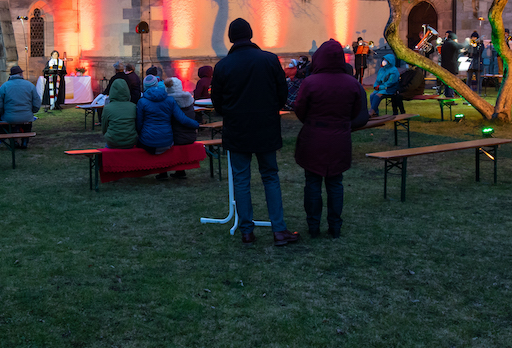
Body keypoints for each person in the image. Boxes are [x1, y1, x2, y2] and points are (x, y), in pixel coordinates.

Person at [211, 18, 299, 246]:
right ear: (250, 35)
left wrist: (233, 113)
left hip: (238, 129)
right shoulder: (269, 60)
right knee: (270, 176)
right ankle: (279, 230)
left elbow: (217, 102)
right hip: (265, 128)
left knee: (241, 179)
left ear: (231, 38)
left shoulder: (223, 66)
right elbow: (282, 95)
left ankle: (247, 231)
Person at [293, 40, 364, 239]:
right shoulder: (352, 83)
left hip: (314, 137)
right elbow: (356, 111)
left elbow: (300, 108)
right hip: (339, 138)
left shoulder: (311, 82)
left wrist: (312, 122)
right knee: (335, 183)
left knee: (313, 183)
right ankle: (335, 226)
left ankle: (313, 225)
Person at [135, 75, 199, 173]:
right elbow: (182, 118)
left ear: (144, 87)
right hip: (167, 142)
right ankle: (168, 172)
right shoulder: (169, 100)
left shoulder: (142, 101)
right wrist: (196, 124)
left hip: (147, 142)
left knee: (146, 143)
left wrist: (141, 134)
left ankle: (161, 173)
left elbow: (139, 123)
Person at [0, 65, 40, 148]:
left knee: (10, 125)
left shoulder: (4, 86)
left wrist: (2, 112)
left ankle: (14, 141)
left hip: (9, 116)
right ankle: (25, 141)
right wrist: (32, 111)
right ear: (21, 74)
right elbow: (36, 101)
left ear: (10, 75)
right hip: (26, 116)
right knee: (27, 125)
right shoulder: (30, 85)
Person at [100, 79, 137, 149]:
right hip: (130, 141)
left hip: (112, 141)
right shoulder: (133, 107)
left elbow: (104, 127)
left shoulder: (108, 108)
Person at [439, 31, 465, 97]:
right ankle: (450, 97)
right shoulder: (451, 43)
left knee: (447, 82)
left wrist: (459, 51)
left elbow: (450, 53)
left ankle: (447, 96)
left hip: (445, 66)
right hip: (451, 67)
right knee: (452, 82)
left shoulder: (446, 44)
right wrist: (467, 41)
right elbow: (461, 46)